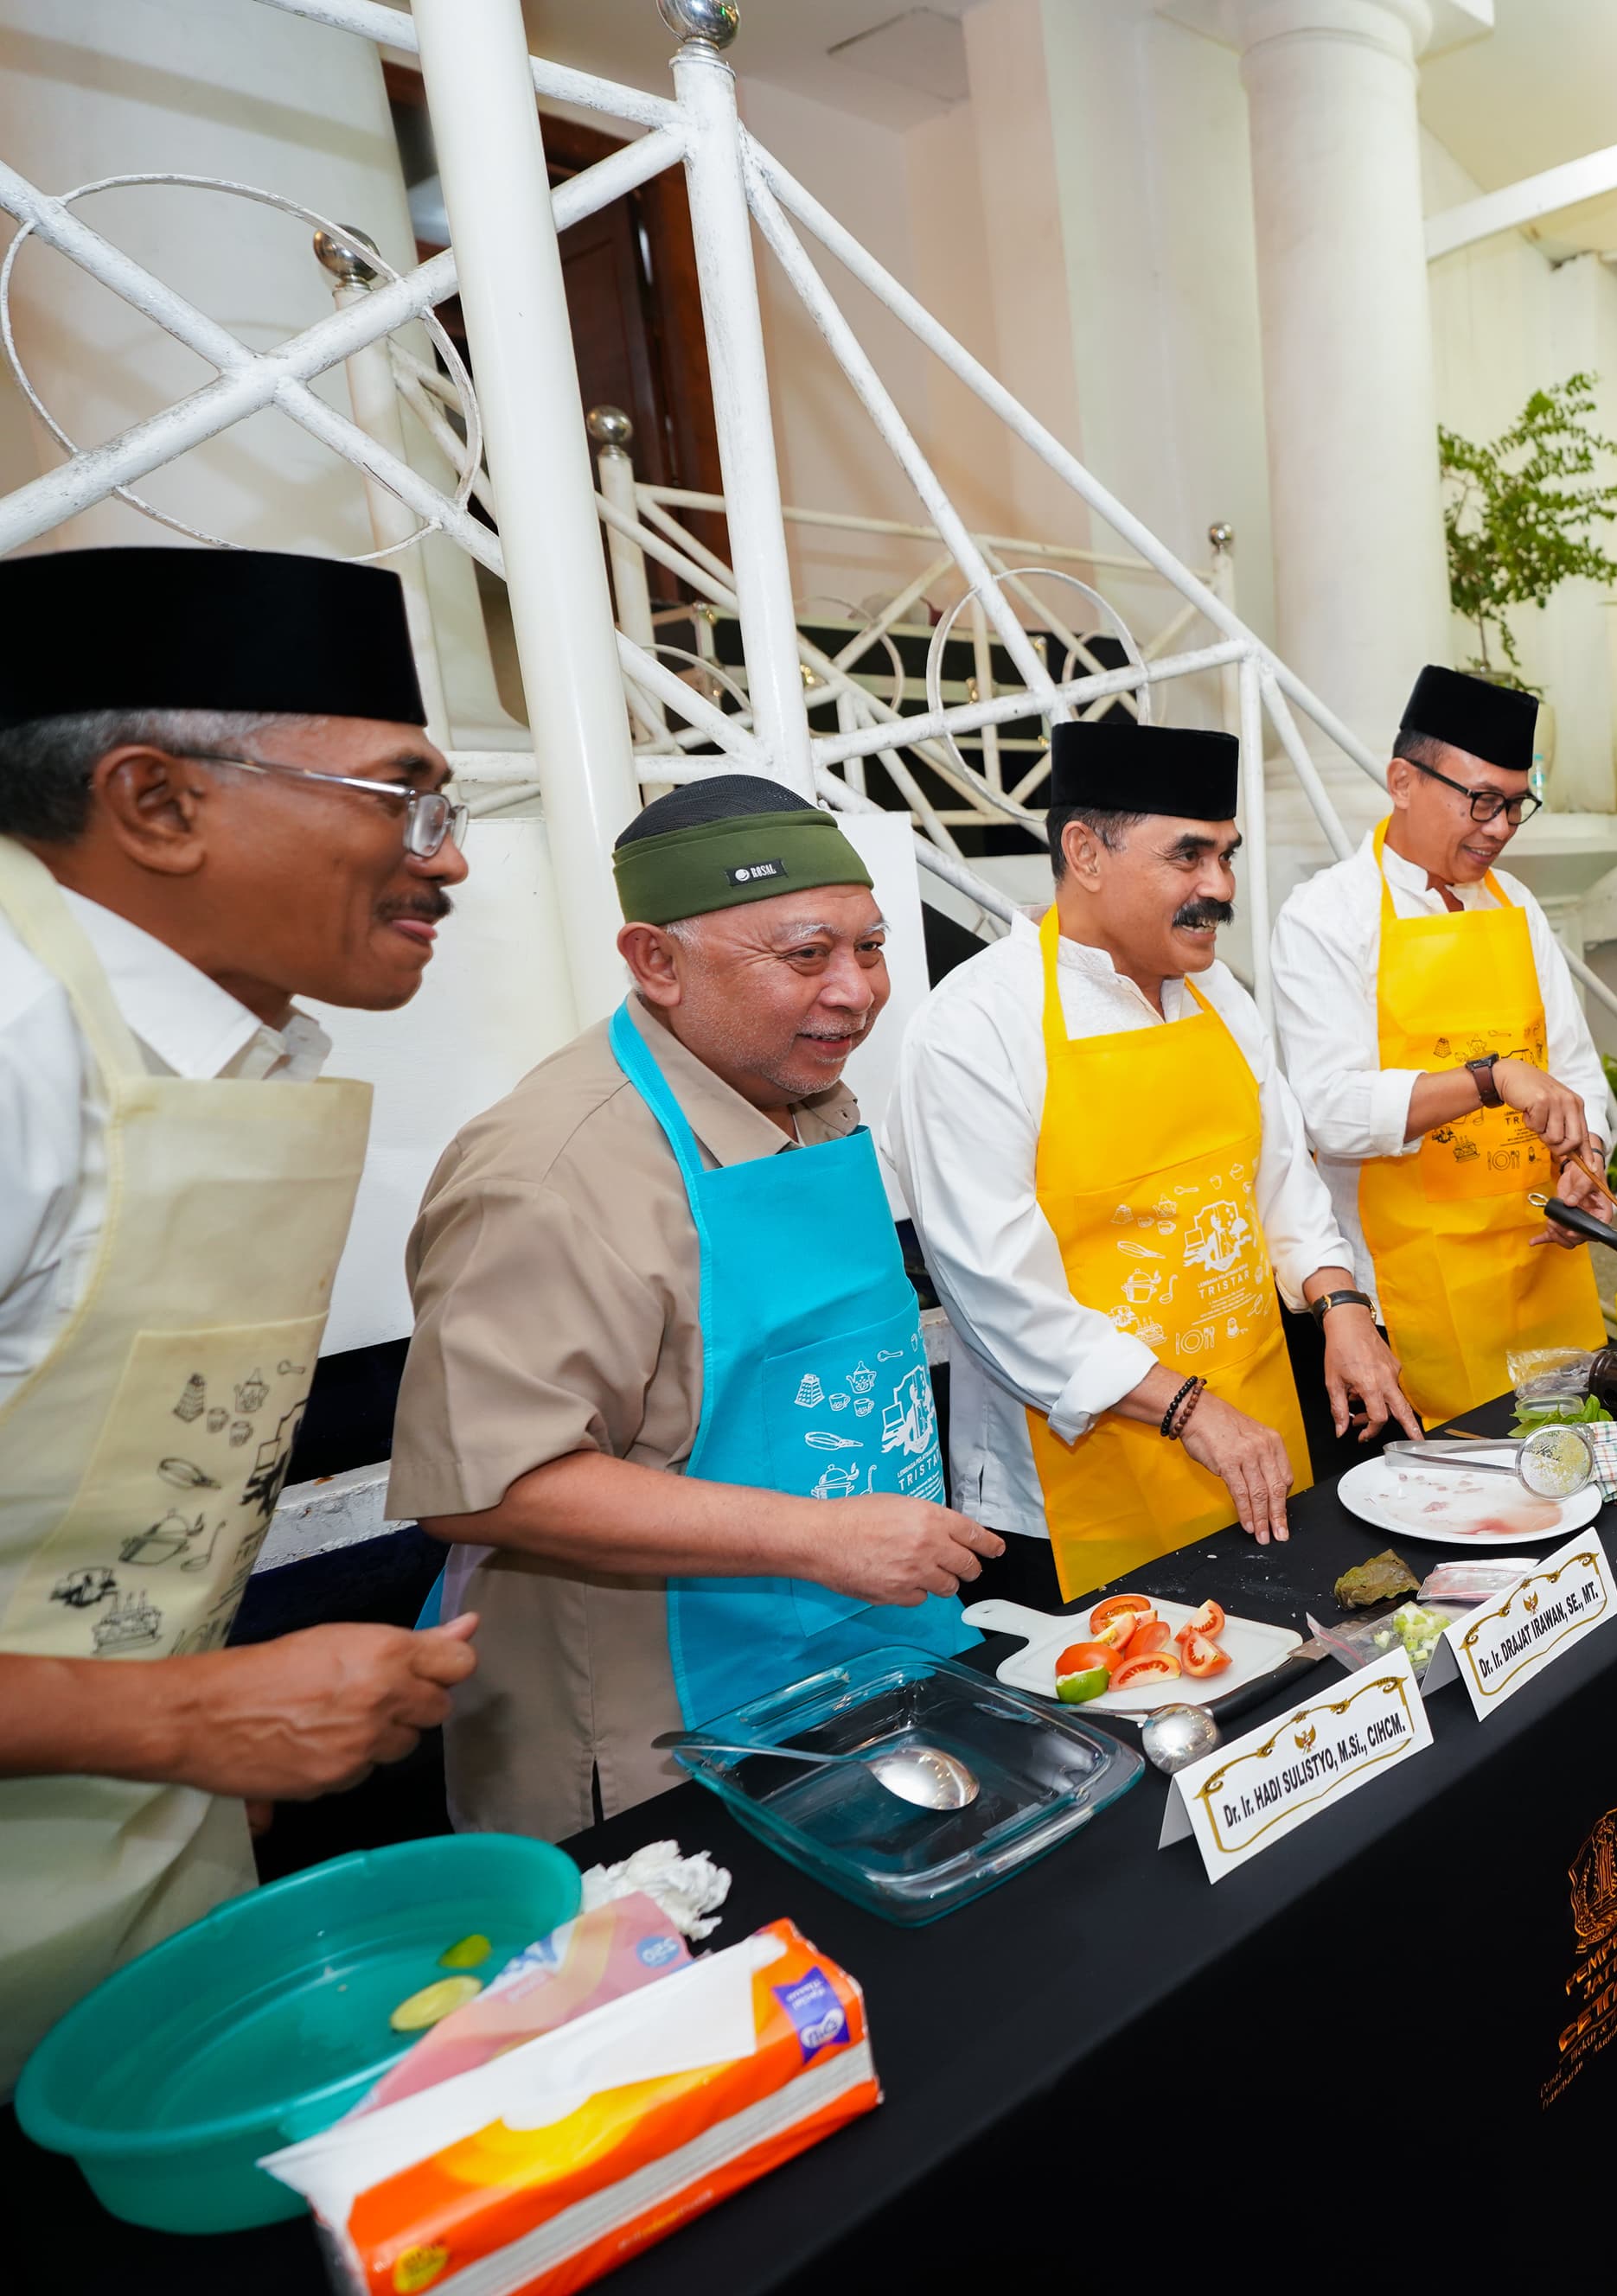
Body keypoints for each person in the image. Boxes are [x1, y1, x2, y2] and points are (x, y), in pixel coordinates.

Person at [0, 546, 479, 2085]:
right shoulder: (13, 1037)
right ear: (158, 803)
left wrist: (194, 1749)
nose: (448, 859)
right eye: (399, 798)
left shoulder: (218, 1043)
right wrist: (190, 1717)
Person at [393, 776, 1001, 1841]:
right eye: (806, 956)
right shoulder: (552, 1169)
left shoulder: (809, 1095)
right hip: (654, 1727)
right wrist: (816, 1537)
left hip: (862, 1653)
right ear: (655, 962)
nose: (857, 993)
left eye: (870, 947)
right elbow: (486, 1485)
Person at [892, 720, 1416, 1601]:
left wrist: (1342, 1305)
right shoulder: (974, 1024)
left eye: (1227, 856)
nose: (1220, 887)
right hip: (1070, 1498)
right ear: (1085, 852)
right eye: (1189, 857)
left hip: (1252, 1446)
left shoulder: (1220, 993)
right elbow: (995, 1290)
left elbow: (1283, 1181)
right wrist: (1188, 1407)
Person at [1271, 668, 1617, 1425]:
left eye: (1516, 805)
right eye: (1481, 800)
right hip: (1405, 1301)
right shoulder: (1327, 916)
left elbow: (1577, 1071)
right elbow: (1329, 1110)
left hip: (1537, 1274)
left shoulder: (1519, 908)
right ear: (1403, 781)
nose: (1499, 826)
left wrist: (1585, 1159)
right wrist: (1493, 1078)